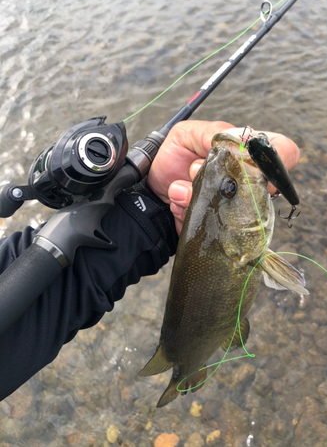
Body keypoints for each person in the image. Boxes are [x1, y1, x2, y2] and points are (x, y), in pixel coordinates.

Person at [0, 120, 300, 401]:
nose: (232, 185)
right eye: (230, 189)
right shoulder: (244, 246)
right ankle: (184, 371)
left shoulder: (238, 244)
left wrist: (149, 205)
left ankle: (180, 369)